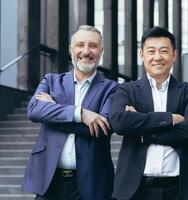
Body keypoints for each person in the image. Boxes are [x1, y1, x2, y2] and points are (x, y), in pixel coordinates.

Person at [109, 26, 188, 200]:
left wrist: (144, 132)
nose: (157, 57)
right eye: (151, 51)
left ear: (174, 55)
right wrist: (169, 118)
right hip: (135, 189)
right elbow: (119, 122)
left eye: (164, 51)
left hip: (178, 189)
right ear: (142, 55)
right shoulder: (127, 90)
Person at [22, 25, 118, 200]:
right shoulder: (51, 81)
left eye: (93, 46)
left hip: (92, 183)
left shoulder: (112, 89)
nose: (86, 51)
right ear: (71, 49)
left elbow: (102, 128)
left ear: (101, 51)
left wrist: (52, 113)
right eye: (80, 45)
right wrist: (80, 114)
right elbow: (34, 110)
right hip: (49, 181)